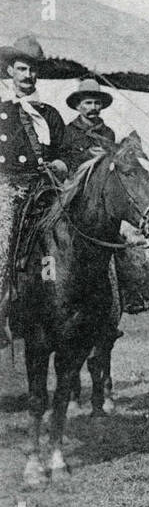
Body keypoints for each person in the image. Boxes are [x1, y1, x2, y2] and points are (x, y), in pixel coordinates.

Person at [0, 36, 66, 348]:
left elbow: (66, 154)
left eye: (33, 70)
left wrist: (61, 165)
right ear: (10, 70)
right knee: (4, 238)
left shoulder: (49, 113)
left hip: (44, 188)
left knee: (81, 227)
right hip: (6, 188)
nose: (29, 76)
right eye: (22, 69)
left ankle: (107, 308)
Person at [60, 78, 118, 170]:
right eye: (88, 103)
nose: (93, 107)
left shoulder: (108, 133)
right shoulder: (69, 131)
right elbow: (63, 160)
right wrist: (87, 154)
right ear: (78, 106)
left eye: (97, 103)